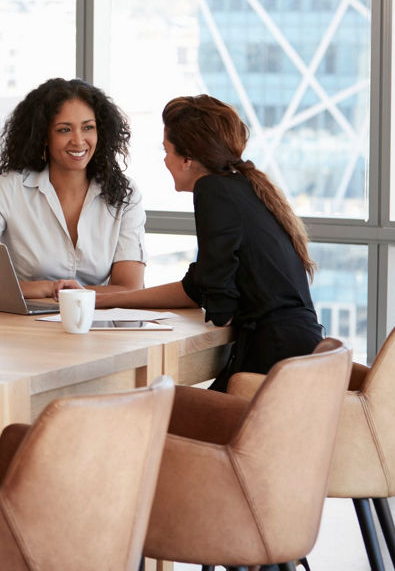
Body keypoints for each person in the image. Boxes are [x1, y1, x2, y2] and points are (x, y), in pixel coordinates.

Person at [97, 94, 323, 391]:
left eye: (166, 151)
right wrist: (102, 299)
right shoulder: (243, 187)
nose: (165, 160)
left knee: (156, 407)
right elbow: (198, 286)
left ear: (187, 158)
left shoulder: (212, 189)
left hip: (273, 358)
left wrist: (219, 305)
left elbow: (218, 298)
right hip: (296, 350)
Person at [0, 78, 147, 300]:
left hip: (96, 327)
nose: (78, 140)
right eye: (64, 130)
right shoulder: (9, 189)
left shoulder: (124, 195)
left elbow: (129, 288)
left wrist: (62, 293)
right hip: (22, 330)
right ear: (44, 136)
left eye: (88, 127)